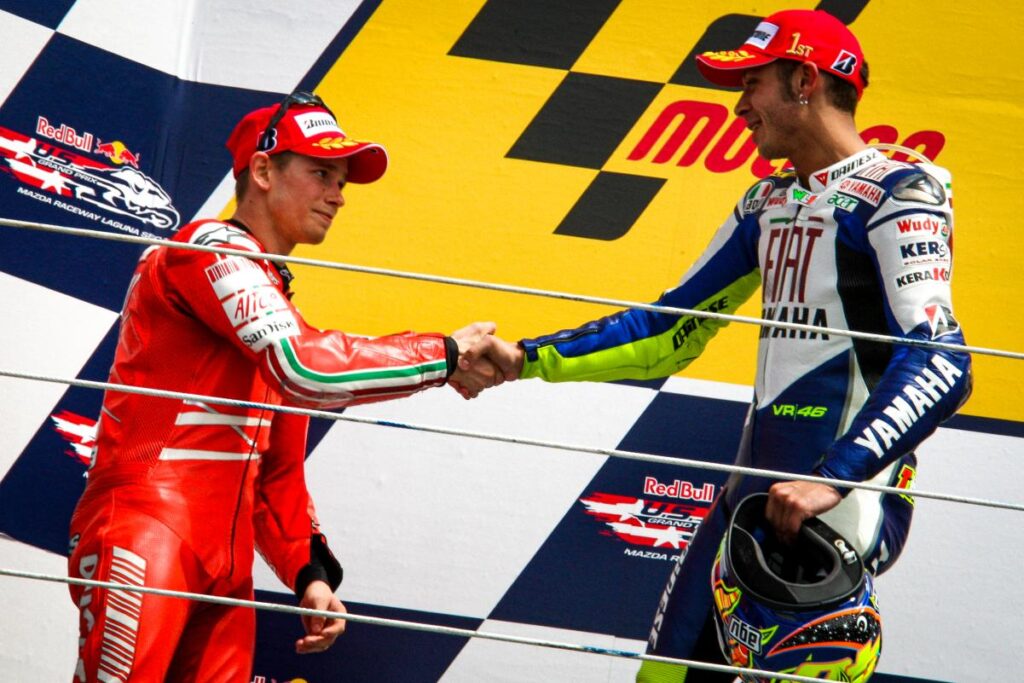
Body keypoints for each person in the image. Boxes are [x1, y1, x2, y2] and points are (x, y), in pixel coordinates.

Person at [457, 9, 972, 682]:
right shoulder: (766, 202)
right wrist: (527, 358)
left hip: (833, 516)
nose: (738, 106)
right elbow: (668, 330)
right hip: (744, 507)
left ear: (804, 81)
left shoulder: (901, 194)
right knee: (661, 674)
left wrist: (832, 474)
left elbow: (942, 358)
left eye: (751, 83)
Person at [67, 91, 498, 681]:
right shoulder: (201, 250)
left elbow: (273, 471)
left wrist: (309, 573)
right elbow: (308, 368)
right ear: (263, 170)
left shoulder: (269, 295)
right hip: (146, 529)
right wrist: (443, 355)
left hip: (225, 562)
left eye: (342, 179)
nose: (338, 194)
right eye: (321, 172)